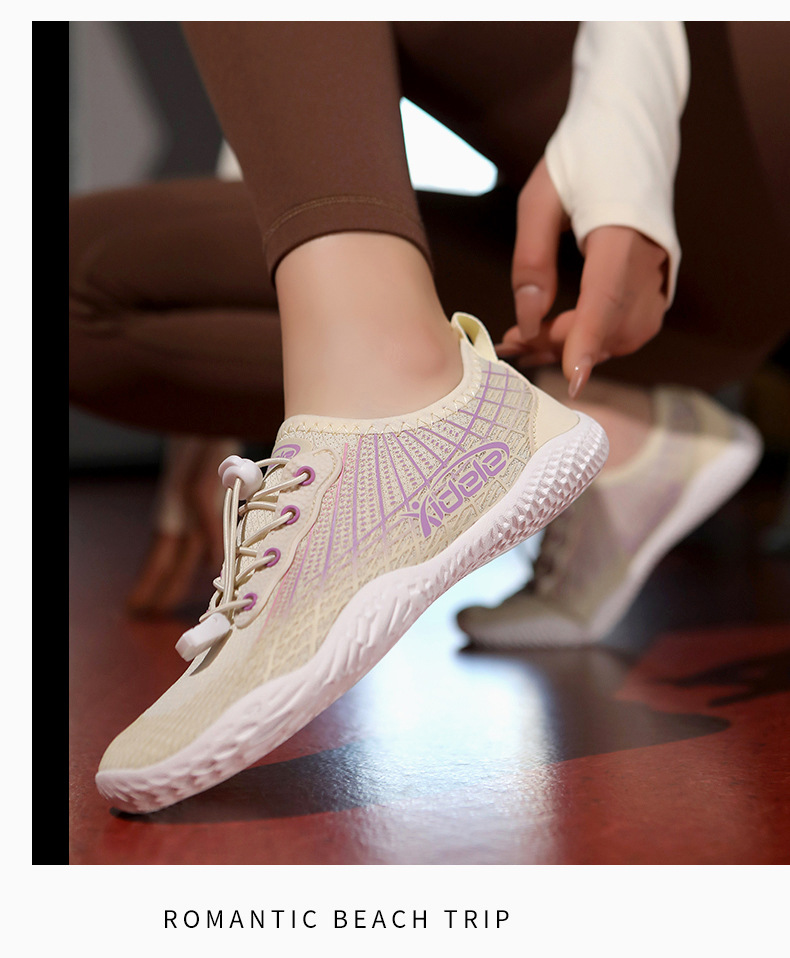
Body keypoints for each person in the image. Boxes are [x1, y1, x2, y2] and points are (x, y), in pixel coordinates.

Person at [69, 22, 790, 812]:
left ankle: (395, 394)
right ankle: (614, 426)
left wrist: (626, 141)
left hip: (718, 146)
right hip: (565, 260)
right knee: (72, 291)